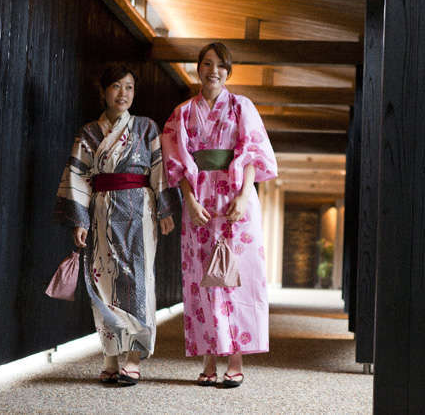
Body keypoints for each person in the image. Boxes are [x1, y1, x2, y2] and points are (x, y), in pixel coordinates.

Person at [161, 43, 278, 388]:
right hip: (198, 198)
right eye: (207, 64)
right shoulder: (182, 113)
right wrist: (188, 201)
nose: (214, 71)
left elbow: (254, 153)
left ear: (229, 71)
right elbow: (176, 163)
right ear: (198, 68)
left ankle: (236, 359)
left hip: (234, 196)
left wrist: (245, 194)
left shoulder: (242, 106)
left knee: (236, 275)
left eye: (220, 66)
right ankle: (208, 359)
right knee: (201, 277)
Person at [54, 63, 176, 385]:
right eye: (117, 87)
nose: (123, 94)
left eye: (129, 87)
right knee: (103, 281)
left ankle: (133, 358)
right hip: (102, 211)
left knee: (137, 281)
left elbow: (159, 170)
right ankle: (110, 356)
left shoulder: (147, 128)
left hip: (139, 210)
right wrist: (79, 220)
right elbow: (77, 175)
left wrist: (165, 211)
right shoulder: (89, 133)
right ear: (104, 91)